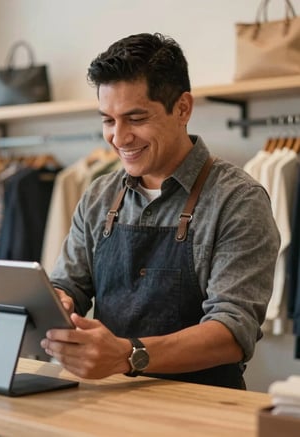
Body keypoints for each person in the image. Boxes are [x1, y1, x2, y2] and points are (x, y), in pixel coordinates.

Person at [40, 32, 280, 389]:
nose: (119, 138)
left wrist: (126, 354)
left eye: (135, 118)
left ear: (182, 108)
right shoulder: (98, 195)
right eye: (108, 120)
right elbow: (68, 284)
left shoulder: (238, 200)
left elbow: (233, 330)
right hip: (109, 400)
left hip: (201, 409)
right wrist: (58, 300)